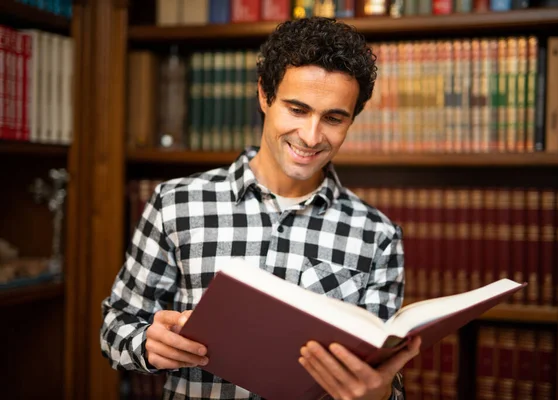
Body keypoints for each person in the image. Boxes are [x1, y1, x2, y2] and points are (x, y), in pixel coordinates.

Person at [100, 16, 421, 400]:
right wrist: (147, 345)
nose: (311, 136)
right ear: (264, 97)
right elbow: (115, 326)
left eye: (334, 118)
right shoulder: (176, 203)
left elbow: (385, 379)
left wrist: (380, 393)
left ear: (351, 120)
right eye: (297, 110)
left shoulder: (379, 237)